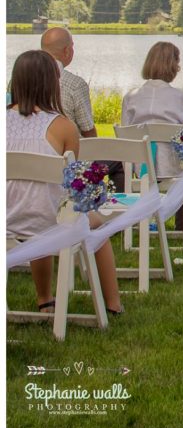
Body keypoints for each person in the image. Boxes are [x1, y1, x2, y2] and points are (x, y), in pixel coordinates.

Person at [6, 50, 122, 314]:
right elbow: (73, 181)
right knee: (97, 226)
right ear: (51, 83)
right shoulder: (63, 126)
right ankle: (113, 304)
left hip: (6, 219)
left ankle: (45, 299)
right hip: (47, 219)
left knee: (38, 210)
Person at [121, 42, 183, 228]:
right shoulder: (182, 98)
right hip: (173, 169)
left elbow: (125, 138)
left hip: (141, 169)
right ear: (174, 66)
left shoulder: (130, 97)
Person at [41, 25, 125, 190]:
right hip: (73, 157)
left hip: (36, 157)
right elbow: (89, 132)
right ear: (67, 51)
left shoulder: (19, 81)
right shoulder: (75, 84)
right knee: (118, 161)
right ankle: (116, 209)